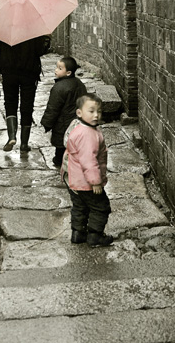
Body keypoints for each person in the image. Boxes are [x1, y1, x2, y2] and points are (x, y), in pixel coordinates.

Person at [62, 93, 113, 248]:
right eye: (91, 111)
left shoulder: (76, 127)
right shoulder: (88, 135)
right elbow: (89, 161)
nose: (96, 115)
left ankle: (78, 233)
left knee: (80, 206)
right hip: (86, 182)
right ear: (79, 113)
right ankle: (95, 236)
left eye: (99, 111)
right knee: (101, 207)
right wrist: (96, 182)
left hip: (72, 178)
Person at [0, 35, 50, 152]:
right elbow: (40, 51)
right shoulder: (34, 31)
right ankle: (24, 144)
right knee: (27, 105)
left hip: (8, 72)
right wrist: (47, 40)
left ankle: (12, 137)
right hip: (29, 72)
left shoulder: (3, 30)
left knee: (10, 102)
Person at [41, 57, 87, 168]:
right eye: (56, 67)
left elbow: (52, 108)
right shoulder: (79, 84)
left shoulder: (59, 88)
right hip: (77, 121)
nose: (56, 70)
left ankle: (59, 161)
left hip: (62, 123)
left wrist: (47, 124)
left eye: (60, 68)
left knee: (61, 145)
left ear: (68, 73)